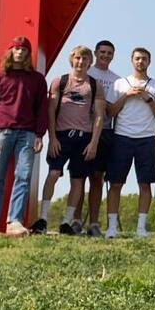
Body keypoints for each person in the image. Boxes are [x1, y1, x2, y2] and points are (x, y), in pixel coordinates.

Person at [0, 36, 49, 236]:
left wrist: (39, 134)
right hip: (1, 132)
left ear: (28, 54)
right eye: (16, 49)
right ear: (10, 52)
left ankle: (14, 221)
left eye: (24, 49)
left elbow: (41, 110)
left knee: (23, 177)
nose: (20, 52)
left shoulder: (37, 80)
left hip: (27, 134)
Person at [33, 45, 105, 235]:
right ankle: (42, 219)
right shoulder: (60, 81)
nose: (81, 62)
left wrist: (94, 143)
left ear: (90, 62)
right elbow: (50, 110)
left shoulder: (95, 85)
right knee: (54, 174)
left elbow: (99, 115)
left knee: (77, 180)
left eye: (85, 59)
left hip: (84, 137)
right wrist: (53, 137)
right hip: (62, 136)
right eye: (78, 58)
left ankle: (67, 222)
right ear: (72, 60)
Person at [104, 47, 155, 238]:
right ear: (131, 60)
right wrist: (127, 95)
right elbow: (110, 112)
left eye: (144, 59)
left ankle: (141, 228)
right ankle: (112, 227)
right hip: (121, 137)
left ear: (149, 62)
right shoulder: (119, 83)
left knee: (145, 184)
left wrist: (148, 99)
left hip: (147, 138)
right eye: (137, 58)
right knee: (115, 183)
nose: (140, 62)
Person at [81, 39, 120, 237]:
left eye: (109, 53)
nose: (105, 55)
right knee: (77, 178)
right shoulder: (86, 73)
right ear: (95, 53)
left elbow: (116, 110)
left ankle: (94, 223)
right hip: (81, 129)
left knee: (97, 178)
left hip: (104, 131)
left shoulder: (117, 80)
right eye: (102, 52)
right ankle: (74, 220)